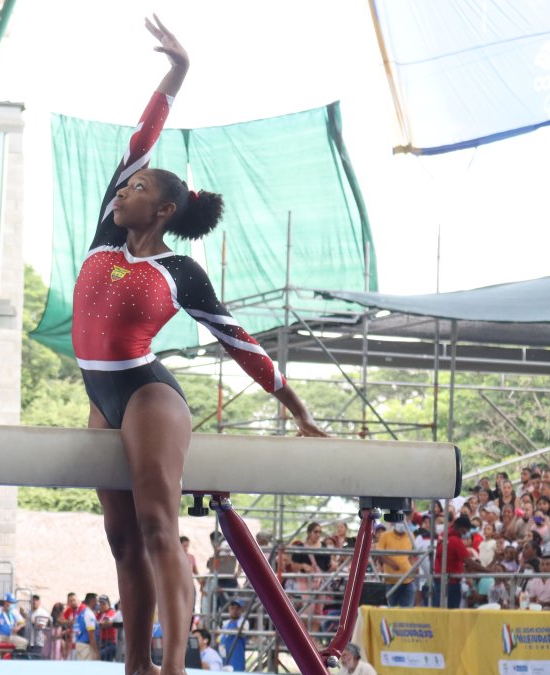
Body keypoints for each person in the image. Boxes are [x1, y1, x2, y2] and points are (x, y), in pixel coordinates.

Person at [73, 19, 328, 675]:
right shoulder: (107, 231)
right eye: (126, 186)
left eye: (138, 188)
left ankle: (177, 665)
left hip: (146, 393)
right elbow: (142, 136)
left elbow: (242, 345)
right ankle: (137, 665)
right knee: (121, 537)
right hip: (100, 395)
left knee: (159, 527)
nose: (124, 189)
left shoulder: (181, 272)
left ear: (161, 211)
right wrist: (176, 73)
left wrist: (298, 411)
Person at [432, 515, 485, 608]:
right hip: (450, 583)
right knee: (451, 614)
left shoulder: (443, 536)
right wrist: (489, 571)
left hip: (440, 580)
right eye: (465, 530)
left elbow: (458, 563)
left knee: (440, 613)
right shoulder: (455, 541)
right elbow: (469, 563)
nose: (467, 533)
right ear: (458, 528)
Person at [376, 520, 416, 607]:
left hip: (408, 580)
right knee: (391, 610)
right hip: (391, 580)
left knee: (407, 611)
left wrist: (414, 570)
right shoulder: (385, 536)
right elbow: (379, 554)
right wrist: (391, 563)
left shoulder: (411, 536)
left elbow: (411, 556)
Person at [219, 600, 248, 672]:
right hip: (224, 657)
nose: (234, 611)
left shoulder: (243, 621)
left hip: (236, 658)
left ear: (241, 610)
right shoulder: (225, 623)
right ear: (229, 609)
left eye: (237, 608)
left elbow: (242, 630)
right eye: (232, 608)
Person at [71, 592, 99, 661]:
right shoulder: (89, 614)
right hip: (86, 647)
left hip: (81, 645)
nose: (97, 604)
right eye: (97, 601)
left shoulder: (83, 613)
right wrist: (96, 651)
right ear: (92, 601)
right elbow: (91, 635)